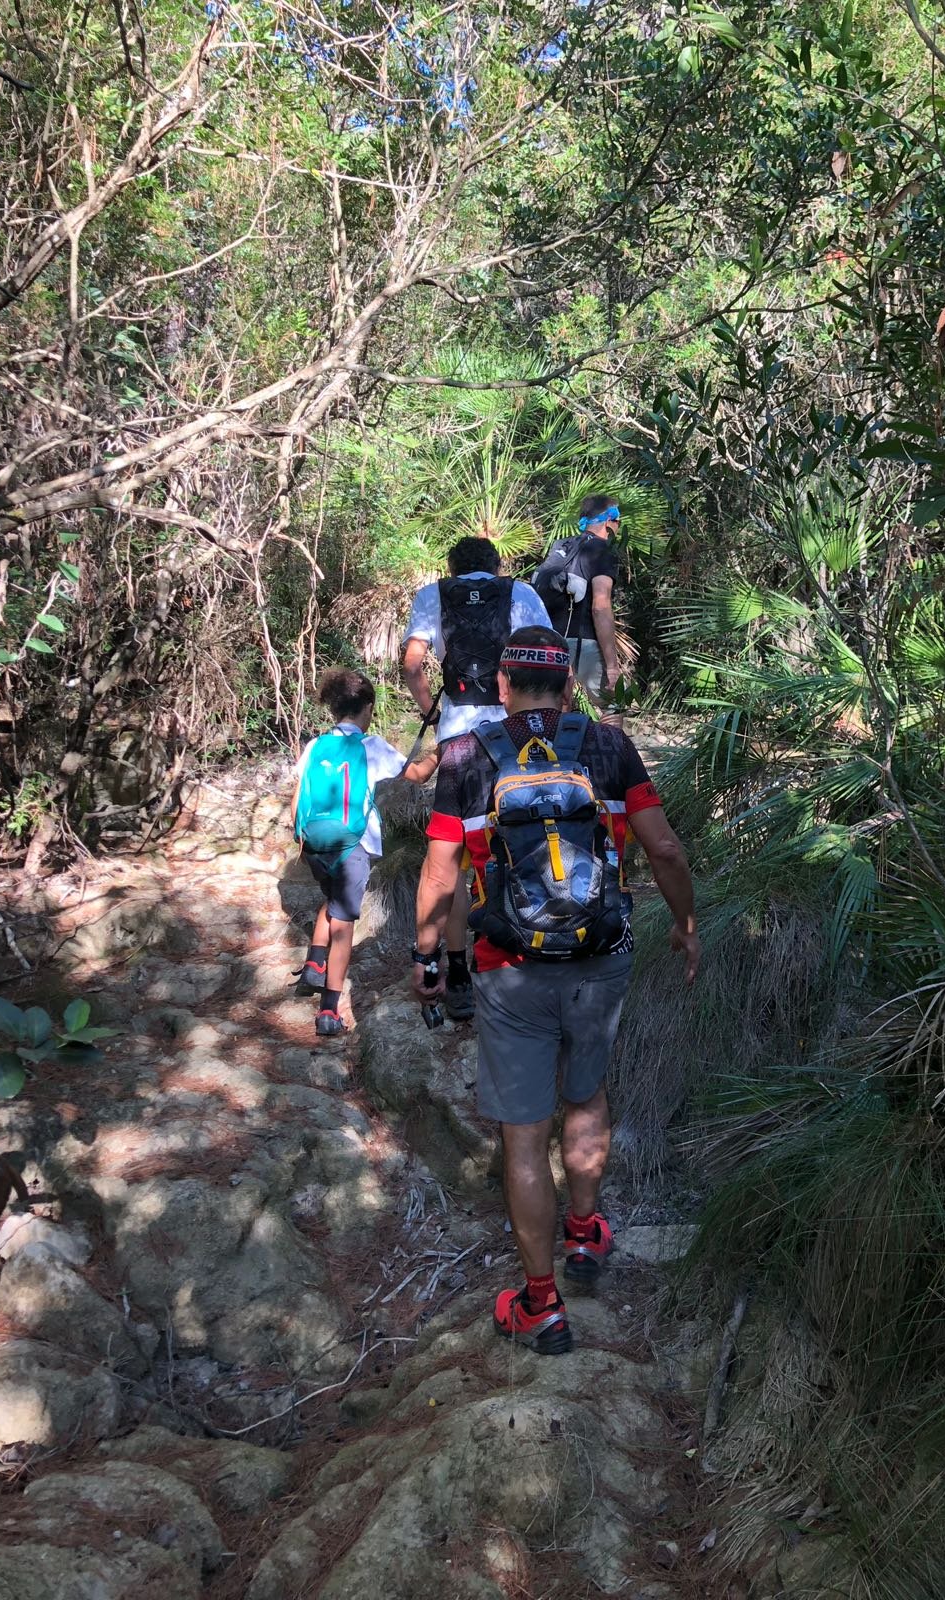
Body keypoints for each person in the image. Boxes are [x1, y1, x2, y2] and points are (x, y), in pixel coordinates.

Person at [411, 625, 699, 1355]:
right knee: (587, 1096)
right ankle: (585, 1231)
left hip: (509, 969)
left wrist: (426, 956)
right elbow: (662, 845)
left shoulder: (464, 755)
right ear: (568, 686)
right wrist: (686, 923)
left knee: (523, 1132)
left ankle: (539, 1304)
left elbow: (441, 874)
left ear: (501, 687)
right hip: (602, 958)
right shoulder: (608, 745)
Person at [402, 536, 551, 1022]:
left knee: (457, 859)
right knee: (518, 841)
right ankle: (519, 952)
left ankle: (458, 970)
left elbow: (412, 663)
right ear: (496, 565)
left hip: (458, 736)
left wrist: (433, 709)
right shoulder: (521, 593)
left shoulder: (433, 594)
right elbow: (547, 655)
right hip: (514, 735)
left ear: (453, 567)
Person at [293, 668, 438, 1038]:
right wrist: (441, 751)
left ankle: (314, 962)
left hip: (314, 841)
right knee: (344, 924)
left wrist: (301, 840)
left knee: (332, 898)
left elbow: (298, 796)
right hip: (352, 844)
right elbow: (417, 775)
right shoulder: (371, 746)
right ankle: (328, 1011)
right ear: (368, 707)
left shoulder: (315, 745)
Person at [531, 495, 622, 725]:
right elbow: (600, 607)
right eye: (618, 520)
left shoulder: (562, 547)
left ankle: (558, 759)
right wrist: (612, 665)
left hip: (547, 642)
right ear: (609, 521)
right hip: (582, 642)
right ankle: (613, 759)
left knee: (559, 704)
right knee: (614, 702)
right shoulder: (601, 551)